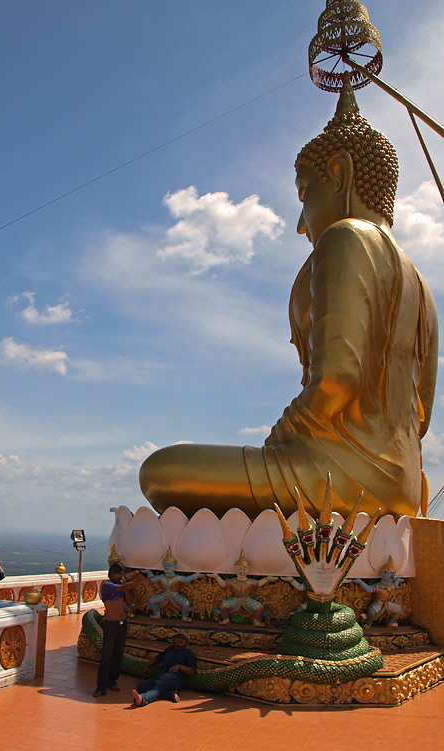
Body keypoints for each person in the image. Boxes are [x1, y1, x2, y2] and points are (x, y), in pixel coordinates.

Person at [139, 75, 438, 522]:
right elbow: (421, 418)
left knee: (161, 471)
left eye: (305, 193)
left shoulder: (346, 237)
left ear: (339, 174)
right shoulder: (420, 284)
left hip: (336, 475)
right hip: (403, 483)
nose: (302, 223)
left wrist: (282, 435)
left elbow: (337, 377)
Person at [93, 561, 143, 698]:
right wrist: (140, 581)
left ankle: (112, 681)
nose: (122, 577)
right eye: (121, 574)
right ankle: (101, 687)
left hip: (122, 623)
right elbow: (125, 585)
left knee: (118, 655)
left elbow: (128, 603)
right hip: (111, 625)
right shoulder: (107, 585)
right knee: (107, 657)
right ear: (114, 573)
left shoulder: (121, 587)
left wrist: (125, 587)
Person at [131, 631, 196, 706]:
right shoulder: (170, 649)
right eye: (178, 638)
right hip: (161, 675)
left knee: (160, 683)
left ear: (186, 642)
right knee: (141, 686)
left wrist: (180, 666)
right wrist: (147, 665)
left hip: (175, 677)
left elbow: (192, 672)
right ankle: (169, 695)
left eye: (182, 639)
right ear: (174, 639)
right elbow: (158, 658)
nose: (180, 640)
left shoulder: (187, 653)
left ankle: (144, 699)